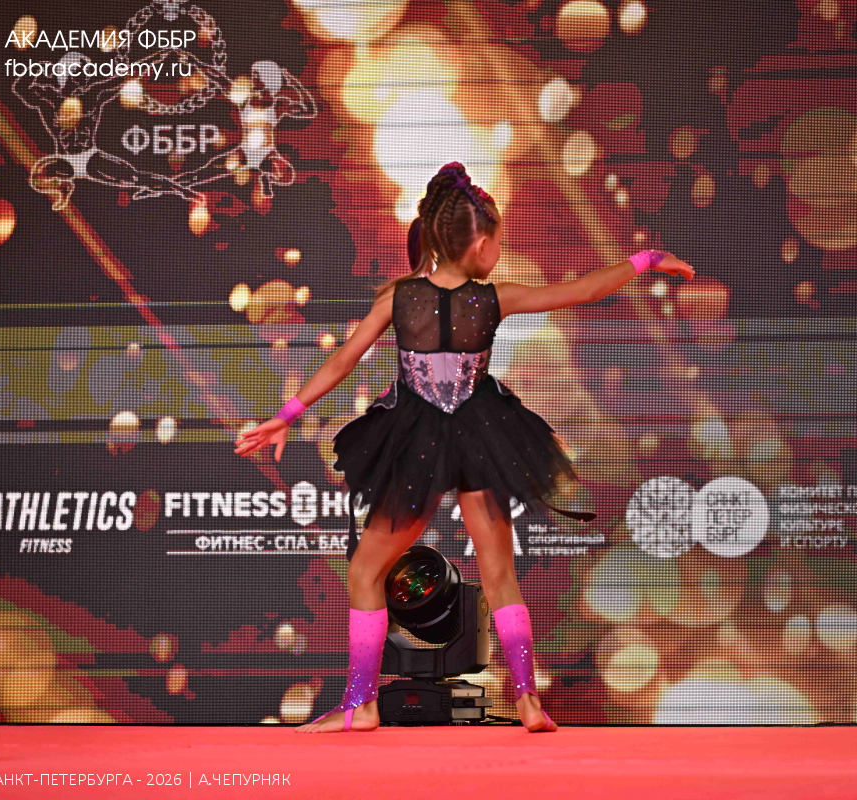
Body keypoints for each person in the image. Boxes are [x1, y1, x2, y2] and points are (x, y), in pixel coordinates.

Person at [235, 163, 694, 733]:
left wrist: (285, 416)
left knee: (365, 572)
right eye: (498, 242)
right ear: (480, 245)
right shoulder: (496, 298)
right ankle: (527, 701)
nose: (498, 251)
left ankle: (361, 704)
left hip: (417, 441)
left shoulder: (401, 298)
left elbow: (344, 359)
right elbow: (581, 290)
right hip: (479, 436)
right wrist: (646, 259)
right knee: (500, 574)